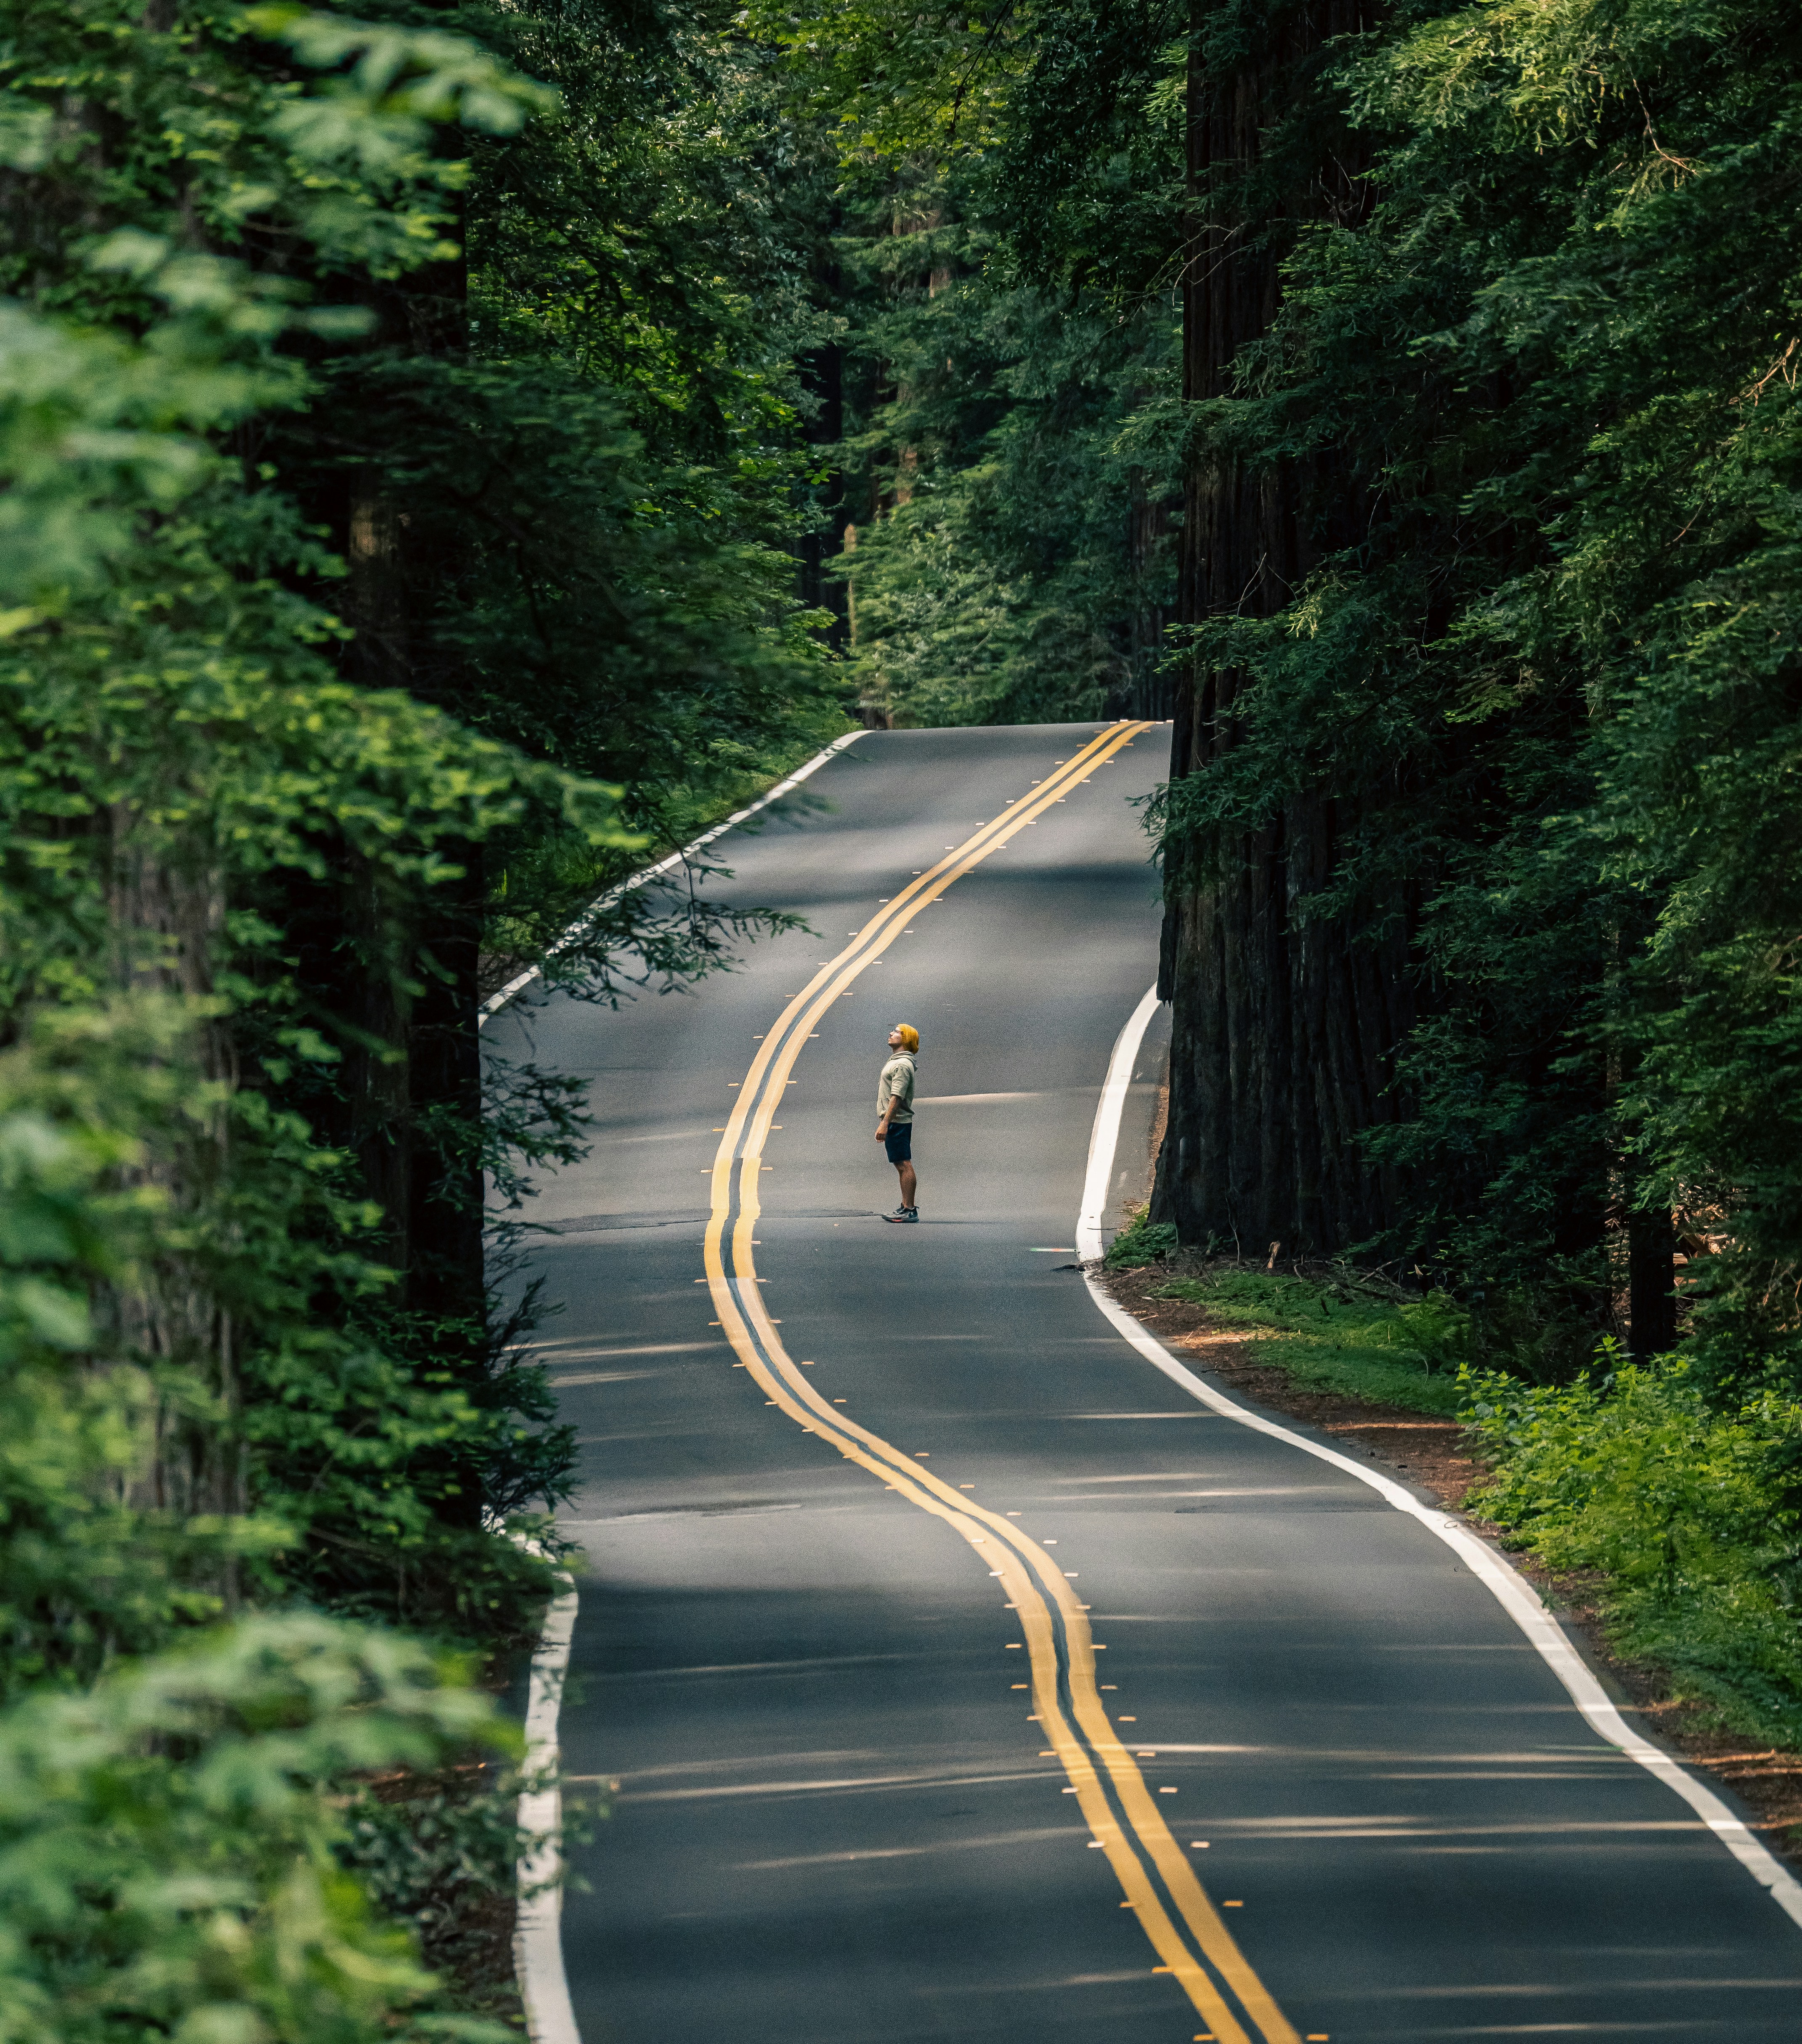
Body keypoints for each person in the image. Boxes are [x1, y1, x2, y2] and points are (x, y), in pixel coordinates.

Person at [875, 1023, 919, 1222]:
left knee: (903, 1164)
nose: (891, 1033)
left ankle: (909, 1209)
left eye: (896, 1032)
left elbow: (897, 1096)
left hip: (897, 1121)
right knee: (901, 1163)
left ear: (906, 1039)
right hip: (896, 1121)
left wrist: (885, 1123)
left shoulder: (901, 1065)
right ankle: (905, 1206)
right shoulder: (898, 1061)